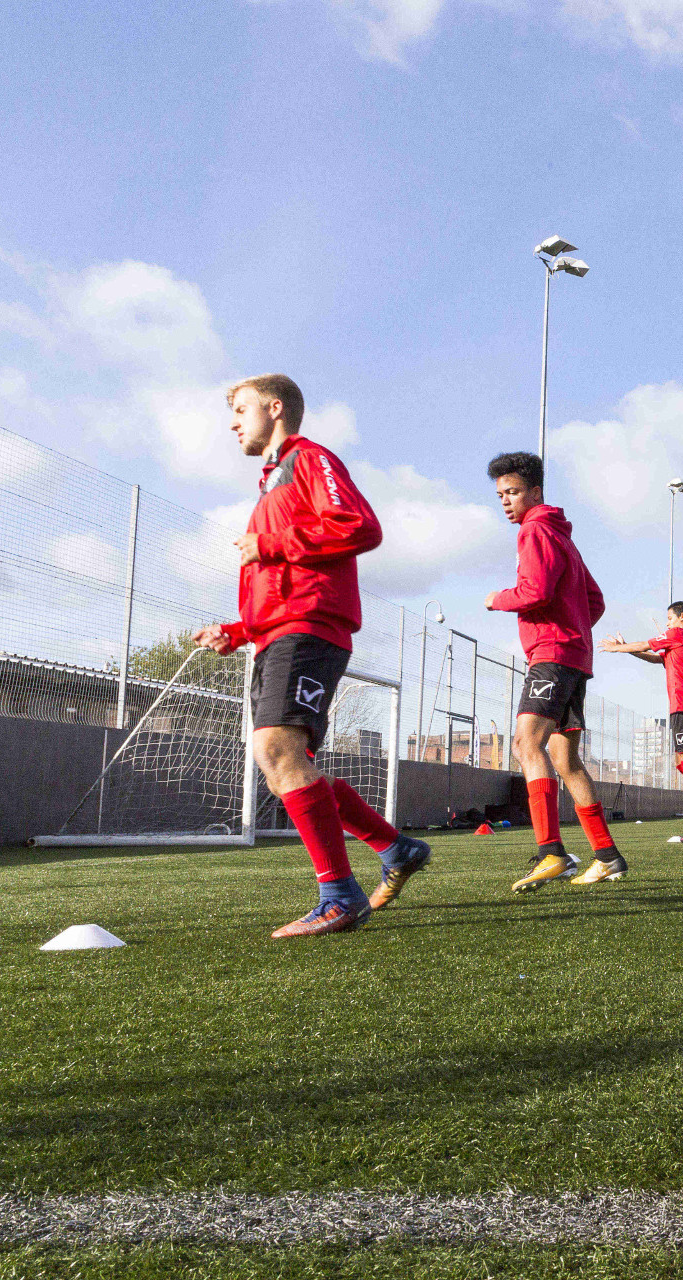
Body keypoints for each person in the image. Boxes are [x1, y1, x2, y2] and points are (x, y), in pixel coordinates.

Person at [192, 374, 430, 937]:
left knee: (278, 750)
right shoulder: (272, 482)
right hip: (277, 632)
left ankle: (338, 896)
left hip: (310, 629)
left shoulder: (309, 457)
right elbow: (280, 584)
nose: (233, 422)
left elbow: (360, 527)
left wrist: (271, 544)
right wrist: (238, 629)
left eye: (241, 409)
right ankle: (394, 847)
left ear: (276, 409)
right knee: (287, 766)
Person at [483, 451, 627, 892]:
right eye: (501, 494)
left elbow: (536, 591)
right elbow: (595, 601)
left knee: (527, 742)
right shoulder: (563, 536)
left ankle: (551, 852)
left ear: (536, 492)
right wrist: (575, 629)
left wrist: (498, 598)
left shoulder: (535, 531)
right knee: (564, 759)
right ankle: (608, 856)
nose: (506, 501)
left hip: (552, 655)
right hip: (573, 658)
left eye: (513, 492)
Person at [602, 603, 683, 843]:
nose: (668, 622)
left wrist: (616, 649)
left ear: (682, 617)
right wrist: (627, 649)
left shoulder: (678, 634)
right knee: (681, 763)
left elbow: (645, 644)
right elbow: (654, 657)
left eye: (670, 618)